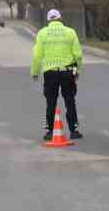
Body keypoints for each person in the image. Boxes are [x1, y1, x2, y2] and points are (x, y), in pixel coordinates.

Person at [30, 8, 84, 141]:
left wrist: (35, 72)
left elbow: (37, 56)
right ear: (60, 18)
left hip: (50, 72)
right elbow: (78, 55)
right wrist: (77, 71)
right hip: (68, 70)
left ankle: (49, 132)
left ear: (48, 20)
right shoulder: (70, 32)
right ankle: (74, 130)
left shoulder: (42, 33)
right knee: (70, 100)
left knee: (51, 102)